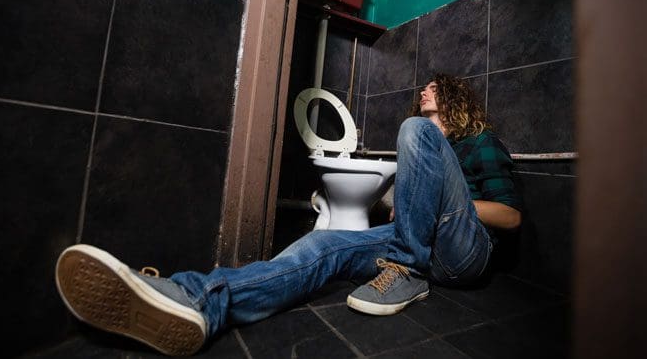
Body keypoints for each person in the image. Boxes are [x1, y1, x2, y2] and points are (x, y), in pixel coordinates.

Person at [55, 73, 521, 356]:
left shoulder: (477, 142)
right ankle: (196, 300)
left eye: (434, 87)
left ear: (456, 98)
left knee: (416, 130)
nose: (423, 89)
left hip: (464, 252)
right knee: (323, 245)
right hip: (414, 248)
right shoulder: (419, 143)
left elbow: (510, 217)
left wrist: (437, 200)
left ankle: (407, 270)